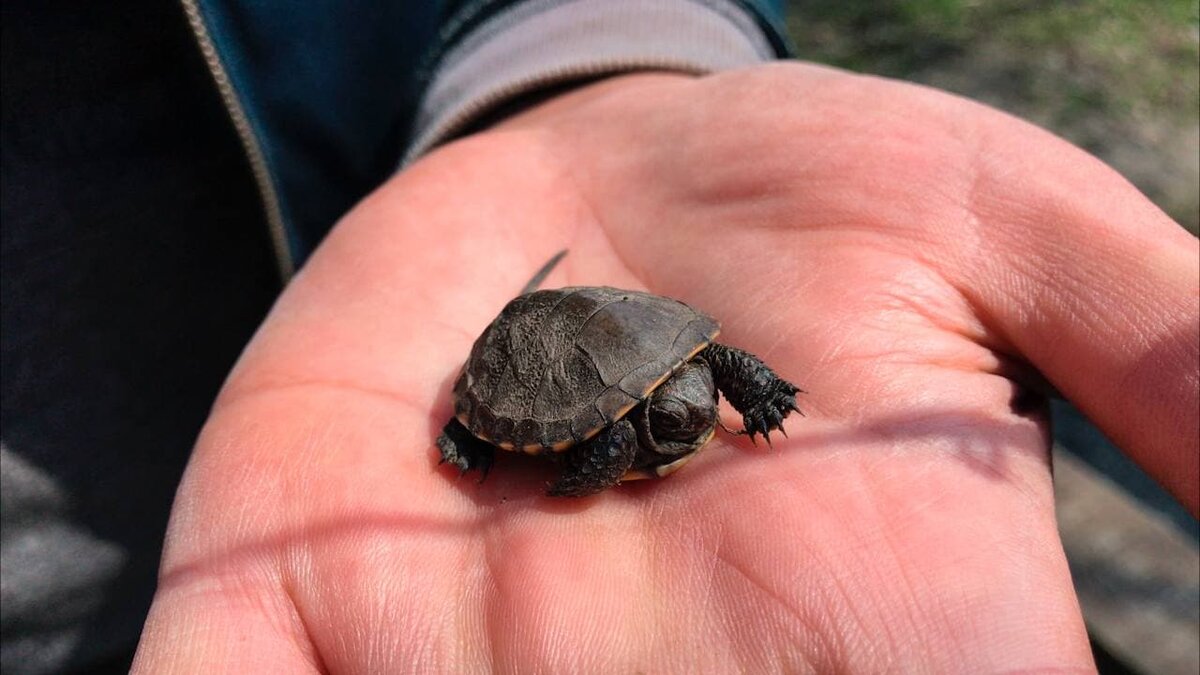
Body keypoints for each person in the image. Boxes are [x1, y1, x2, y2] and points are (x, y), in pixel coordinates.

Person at [4, 1, 1196, 673]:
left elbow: (714, 368)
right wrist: (516, 448)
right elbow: (595, 450)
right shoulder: (619, 435)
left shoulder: (692, 384)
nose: (692, 420)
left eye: (694, 409)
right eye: (683, 414)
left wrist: (588, 53)